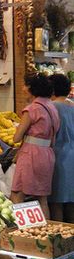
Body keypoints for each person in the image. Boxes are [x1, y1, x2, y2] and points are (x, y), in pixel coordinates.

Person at [10, 74, 60, 219]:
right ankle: (46, 233)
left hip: (31, 155)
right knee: (42, 197)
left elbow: (16, 138)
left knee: (17, 193)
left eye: (25, 85)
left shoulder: (32, 109)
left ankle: (23, 232)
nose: (23, 88)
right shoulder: (52, 107)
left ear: (31, 88)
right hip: (47, 154)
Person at [49, 74, 74, 221]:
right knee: (71, 201)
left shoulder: (52, 107)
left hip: (59, 156)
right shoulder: (72, 105)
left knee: (57, 200)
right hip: (72, 154)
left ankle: (59, 239)